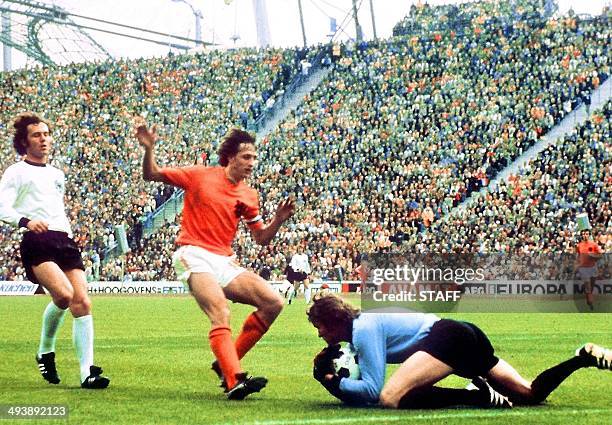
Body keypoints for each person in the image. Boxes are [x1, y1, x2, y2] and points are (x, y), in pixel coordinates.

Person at [136, 122, 295, 400]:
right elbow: (152, 174)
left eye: (255, 157)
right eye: (247, 157)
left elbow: (260, 238)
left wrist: (278, 221)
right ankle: (234, 379)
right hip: (192, 253)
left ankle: (226, 362)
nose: (252, 162)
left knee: (274, 303)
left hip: (223, 259)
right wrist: (149, 149)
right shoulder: (199, 175)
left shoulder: (249, 194)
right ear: (231, 156)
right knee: (220, 312)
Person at [308, 292, 611, 409]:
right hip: (463, 332)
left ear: (335, 321)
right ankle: (580, 357)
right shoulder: (363, 327)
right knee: (529, 394)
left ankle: (479, 396)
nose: (320, 333)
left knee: (391, 397)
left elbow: (373, 390)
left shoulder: (365, 329)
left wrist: (334, 383)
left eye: (320, 326)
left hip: (448, 338)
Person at [0, 112, 110, 389]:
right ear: (24, 142)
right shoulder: (16, 171)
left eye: (46, 134)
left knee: (82, 302)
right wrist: (25, 221)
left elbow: (56, 208)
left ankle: (87, 373)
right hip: (37, 239)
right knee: (63, 295)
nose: (44, 139)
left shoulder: (57, 174)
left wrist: (70, 234)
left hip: (64, 239)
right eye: (37, 135)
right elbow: (2, 206)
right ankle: (45, 350)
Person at [576, 229, 603, 310]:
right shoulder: (579, 245)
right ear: (582, 235)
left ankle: (589, 297)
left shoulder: (594, 244)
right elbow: (578, 256)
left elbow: (600, 255)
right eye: (583, 234)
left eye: (587, 234)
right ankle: (590, 302)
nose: (585, 236)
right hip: (583, 268)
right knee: (587, 285)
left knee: (591, 286)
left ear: (589, 235)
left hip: (592, 267)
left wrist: (593, 256)